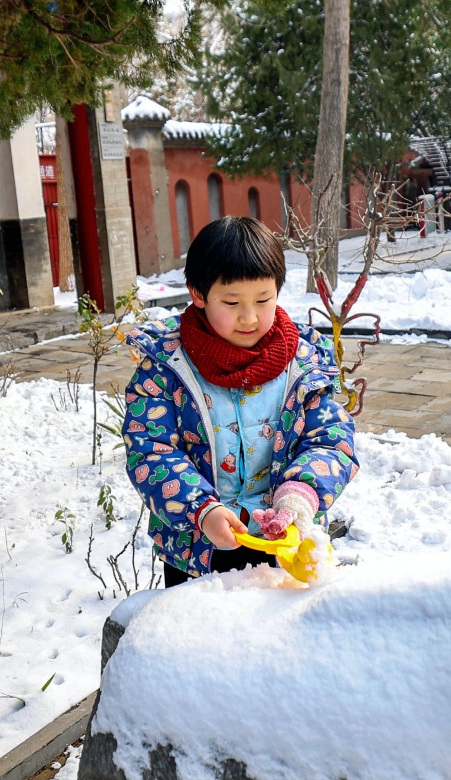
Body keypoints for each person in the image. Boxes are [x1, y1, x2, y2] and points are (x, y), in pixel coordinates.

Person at [120, 216, 359, 587]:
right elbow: (150, 450)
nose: (249, 318)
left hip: (287, 543)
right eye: (231, 302)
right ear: (198, 294)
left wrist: (299, 495)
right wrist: (201, 509)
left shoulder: (304, 361)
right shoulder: (166, 367)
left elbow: (331, 439)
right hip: (197, 547)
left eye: (263, 300)